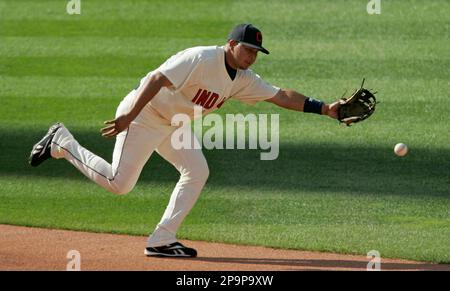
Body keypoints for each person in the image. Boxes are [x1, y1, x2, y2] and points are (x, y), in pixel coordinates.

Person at [29, 23, 341, 258]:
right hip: (143, 115)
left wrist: (325, 108)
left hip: (173, 125)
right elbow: (156, 79)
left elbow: (280, 95)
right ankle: (62, 141)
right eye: (247, 49)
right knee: (119, 183)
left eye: (256, 53)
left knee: (197, 170)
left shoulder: (243, 80)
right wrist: (129, 116)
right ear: (231, 44)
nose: (251, 57)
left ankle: (162, 239)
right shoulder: (200, 58)